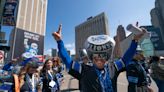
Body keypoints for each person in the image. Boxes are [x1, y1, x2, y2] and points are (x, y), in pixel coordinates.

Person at [52, 24, 146, 92]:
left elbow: (126, 58)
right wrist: (59, 42)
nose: (99, 59)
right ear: (92, 58)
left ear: (107, 57)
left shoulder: (113, 68)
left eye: (103, 56)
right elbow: (68, 61)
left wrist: (135, 40)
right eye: (96, 57)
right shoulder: (84, 70)